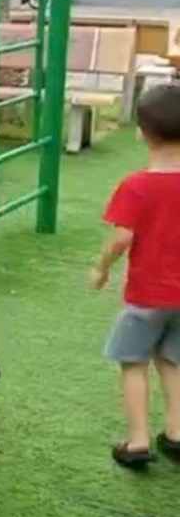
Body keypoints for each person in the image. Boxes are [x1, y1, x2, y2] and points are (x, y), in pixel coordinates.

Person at [90, 84, 180, 470]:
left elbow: (122, 238)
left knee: (133, 362)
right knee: (172, 361)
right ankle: (176, 433)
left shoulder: (136, 187)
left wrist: (101, 267)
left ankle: (138, 440)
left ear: (142, 132)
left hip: (146, 296)